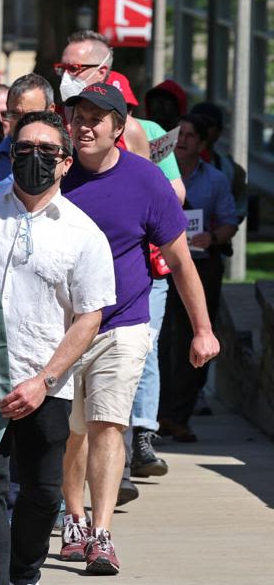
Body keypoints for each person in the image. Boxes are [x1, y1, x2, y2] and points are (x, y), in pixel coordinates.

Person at [57, 83, 219, 576]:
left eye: (96, 119)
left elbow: (179, 258)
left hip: (123, 323)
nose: (85, 126)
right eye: (78, 116)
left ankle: (101, 534)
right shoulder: (53, 174)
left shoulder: (145, 180)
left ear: (118, 127)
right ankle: (74, 518)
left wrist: (202, 330)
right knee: (70, 432)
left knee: (108, 424)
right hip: (60, 328)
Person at [0, 111, 115, 585]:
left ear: (66, 162)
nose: (34, 158)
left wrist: (45, 379)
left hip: (45, 386)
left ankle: (23, 575)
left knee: (43, 494)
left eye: (46, 151)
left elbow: (89, 316)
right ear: (9, 155)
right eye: (23, 149)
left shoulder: (83, 233)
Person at [106, 72, 185, 503]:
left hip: (145, 262)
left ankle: (143, 435)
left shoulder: (147, 134)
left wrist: (142, 186)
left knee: (144, 347)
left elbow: (176, 191)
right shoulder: (73, 135)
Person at [157, 114, 238, 443]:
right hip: (161, 266)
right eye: (180, 134)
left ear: (203, 144)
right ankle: (158, 413)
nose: (184, 140)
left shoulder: (216, 180)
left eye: (191, 135)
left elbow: (230, 221)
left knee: (198, 339)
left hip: (202, 266)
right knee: (162, 341)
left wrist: (214, 237)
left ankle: (179, 416)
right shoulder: (158, 174)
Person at [57, 30, 150, 159]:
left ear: (101, 72)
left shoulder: (129, 129)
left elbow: (143, 177)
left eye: (73, 68)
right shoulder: (50, 121)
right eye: (62, 68)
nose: (65, 76)